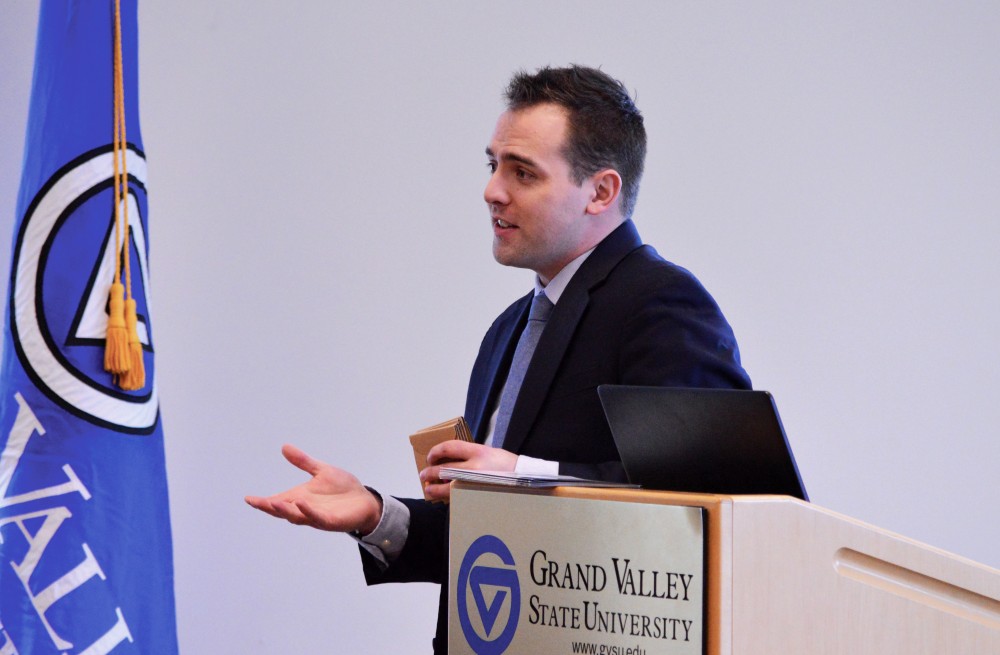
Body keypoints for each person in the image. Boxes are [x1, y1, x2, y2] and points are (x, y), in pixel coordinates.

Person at [245, 65, 751, 654]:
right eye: (493, 165)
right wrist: (374, 514)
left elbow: (712, 503)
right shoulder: (507, 331)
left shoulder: (661, 302)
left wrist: (520, 476)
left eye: (523, 172)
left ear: (601, 191)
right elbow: (492, 539)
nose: (493, 190)